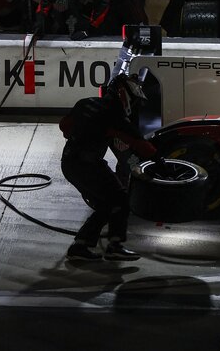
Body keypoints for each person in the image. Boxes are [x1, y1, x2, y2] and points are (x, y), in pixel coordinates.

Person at [60, 73, 158, 261]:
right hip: (88, 166)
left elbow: (64, 126)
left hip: (69, 163)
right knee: (120, 200)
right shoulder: (115, 117)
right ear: (124, 95)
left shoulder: (85, 103)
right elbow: (140, 147)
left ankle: (80, 246)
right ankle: (114, 246)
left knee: (105, 205)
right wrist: (160, 162)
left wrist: (86, 131)